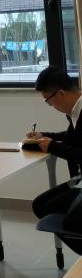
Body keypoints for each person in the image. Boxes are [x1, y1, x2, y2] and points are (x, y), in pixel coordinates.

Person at [28, 66, 82, 249]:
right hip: (79, 180)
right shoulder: (76, 111)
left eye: (48, 101)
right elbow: (72, 138)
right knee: (40, 205)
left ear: (60, 94)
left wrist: (52, 146)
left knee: (51, 210)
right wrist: (45, 136)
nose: (51, 106)